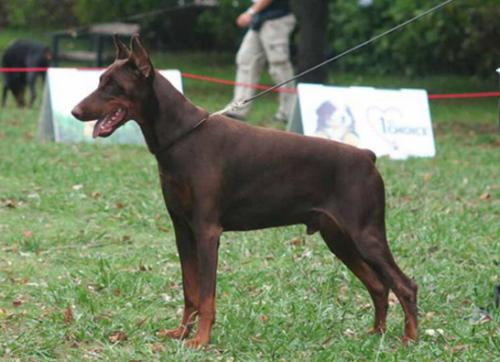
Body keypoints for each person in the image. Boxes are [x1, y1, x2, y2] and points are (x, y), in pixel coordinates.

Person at [225, 0, 296, 122]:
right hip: (260, 19)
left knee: (279, 66)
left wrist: (250, 13)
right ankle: (238, 108)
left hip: (276, 19)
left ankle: (289, 112)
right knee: (245, 59)